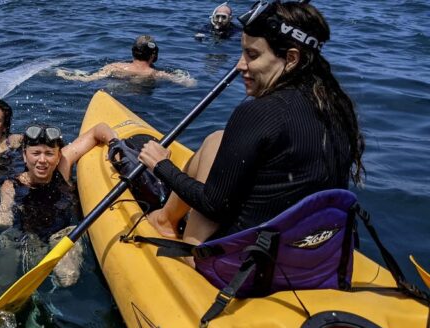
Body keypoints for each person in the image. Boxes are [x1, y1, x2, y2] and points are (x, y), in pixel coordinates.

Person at [138, 2, 365, 255]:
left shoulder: (259, 111)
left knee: (212, 184)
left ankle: (179, 238)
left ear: (291, 58)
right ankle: (166, 219)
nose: (239, 65)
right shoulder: (335, 106)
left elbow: (214, 206)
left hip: (249, 267)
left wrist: (162, 166)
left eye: (252, 55)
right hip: (316, 258)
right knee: (217, 139)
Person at [0, 122, 117, 290]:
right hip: (24, 235)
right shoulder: (11, 185)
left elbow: (97, 130)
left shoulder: (63, 166)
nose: (42, 160)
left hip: (63, 233)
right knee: (1, 281)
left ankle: (52, 293)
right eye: (36, 153)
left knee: (68, 278)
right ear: (25, 156)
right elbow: (5, 216)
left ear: (58, 157)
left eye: (49, 154)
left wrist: (114, 144)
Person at [56, 35, 196, 87]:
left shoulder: (115, 66)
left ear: (133, 52)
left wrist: (63, 74)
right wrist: (184, 77)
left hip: (116, 89)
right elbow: (191, 84)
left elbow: (88, 79)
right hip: (140, 96)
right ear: (153, 55)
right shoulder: (156, 74)